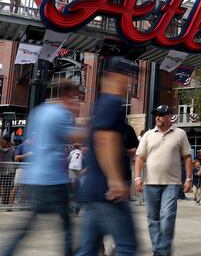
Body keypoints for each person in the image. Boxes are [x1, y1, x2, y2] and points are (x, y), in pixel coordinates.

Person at [1, 79, 85, 256]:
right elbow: (73, 137)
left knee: (29, 225)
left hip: (36, 177)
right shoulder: (61, 114)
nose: (77, 102)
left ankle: (6, 252)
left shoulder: (39, 112)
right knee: (66, 226)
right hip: (53, 180)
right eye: (76, 97)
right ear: (68, 95)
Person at [75, 57, 139, 256]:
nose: (130, 81)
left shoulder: (101, 104)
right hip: (107, 190)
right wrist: (114, 180)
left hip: (94, 190)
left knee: (88, 249)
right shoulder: (113, 103)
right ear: (113, 76)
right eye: (127, 75)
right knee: (127, 246)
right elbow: (105, 140)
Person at [134, 104, 192, 256]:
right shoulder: (148, 135)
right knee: (153, 219)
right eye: (156, 114)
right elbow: (140, 157)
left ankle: (161, 251)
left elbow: (187, 157)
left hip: (172, 183)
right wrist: (138, 177)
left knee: (167, 216)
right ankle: (160, 249)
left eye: (161, 114)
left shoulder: (180, 134)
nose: (157, 117)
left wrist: (188, 178)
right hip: (150, 183)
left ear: (169, 117)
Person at [8, 137, 33, 210]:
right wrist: (27, 155)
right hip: (21, 169)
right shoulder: (21, 146)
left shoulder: (34, 147)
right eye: (33, 139)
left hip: (30, 170)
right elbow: (16, 158)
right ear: (28, 139)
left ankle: (22, 206)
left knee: (26, 188)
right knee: (16, 187)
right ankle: (10, 206)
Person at [0, 134, 16, 207]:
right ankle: (4, 201)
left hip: (2, 169)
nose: (5, 142)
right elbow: (14, 159)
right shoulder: (12, 149)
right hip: (9, 170)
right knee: (6, 186)